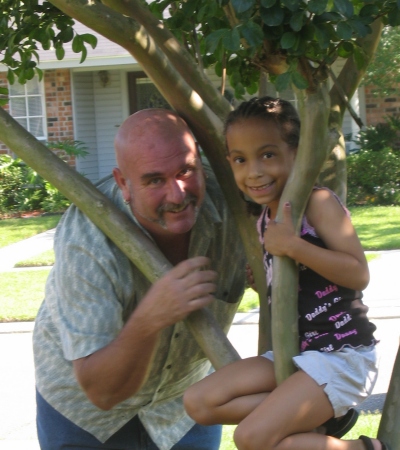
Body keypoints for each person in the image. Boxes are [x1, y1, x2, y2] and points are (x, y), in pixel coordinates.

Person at [32, 108, 248, 450]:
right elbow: (103, 392)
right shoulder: (87, 239)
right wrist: (152, 317)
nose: (177, 194)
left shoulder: (237, 208)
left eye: (185, 171)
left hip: (182, 407)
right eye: (154, 180)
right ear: (123, 183)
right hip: (87, 415)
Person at [184, 97, 387, 450]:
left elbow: (358, 274)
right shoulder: (266, 217)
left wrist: (294, 246)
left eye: (267, 154)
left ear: (297, 152)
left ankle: (365, 448)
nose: (254, 171)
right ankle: (320, 418)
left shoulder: (317, 203)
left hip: (340, 354)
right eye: (240, 160)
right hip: (295, 353)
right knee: (199, 402)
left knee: (252, 438)